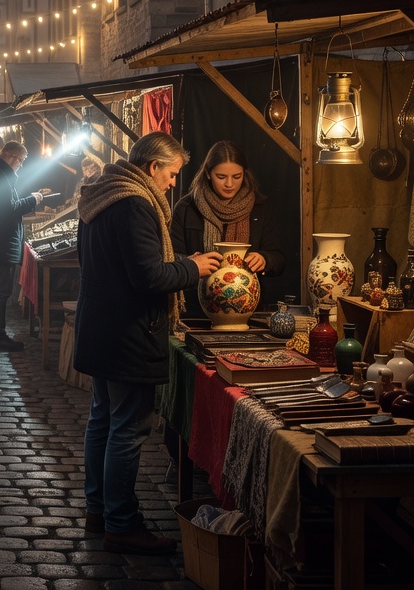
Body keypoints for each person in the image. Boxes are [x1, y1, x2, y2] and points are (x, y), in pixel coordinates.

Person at [74, 133, 221, 555]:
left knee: (103, 421)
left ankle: (98, 510)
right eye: (172, 173)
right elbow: (150, 277)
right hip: (127, 334)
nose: (174, 183)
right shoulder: (135, 204)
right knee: (126, 428)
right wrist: (191, 267)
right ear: (153, 168)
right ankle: (121, 522)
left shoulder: (102, 194)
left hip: (101, 328)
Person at [170, 140, 285, 318]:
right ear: (208, 173)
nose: (229, 184)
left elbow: (278, 259)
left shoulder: (260, 207)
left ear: (244, 174)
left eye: (237, 177)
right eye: (221, 177)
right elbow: (171, 259)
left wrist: (264, 259)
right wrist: (194, 264)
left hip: (247, 313)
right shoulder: (186, 208)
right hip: (196, 313)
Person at [0, 141, 49, 351]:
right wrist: (33, 200)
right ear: (12, 157)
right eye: (22, 161)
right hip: (0, 242)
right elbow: (8, 208)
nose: (22, 165)